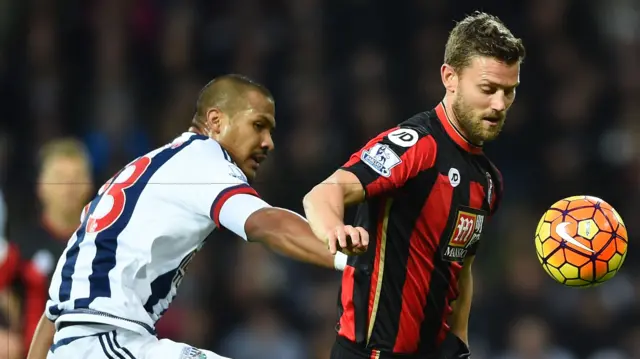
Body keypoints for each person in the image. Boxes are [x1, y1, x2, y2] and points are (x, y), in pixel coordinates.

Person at [27, 74, 347, 359]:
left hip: (86, 342)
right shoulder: (203, 161)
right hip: (108, 340)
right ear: (216, 121)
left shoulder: (141, 171)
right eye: (258, 125)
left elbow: (53, 313)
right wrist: (353, 259)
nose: (268, 142)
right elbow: (265, 223)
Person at [303, 11, 525, 359]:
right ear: (449, 77)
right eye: (488, 89)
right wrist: (335, 228)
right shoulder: (415, 145)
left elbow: (461, 269)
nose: (499, 104)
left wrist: (460, 342)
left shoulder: (489, 180)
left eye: (509, 92)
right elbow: (323, 192)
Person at [8, 138, 93, 353]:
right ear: (41, 185)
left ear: (89, 184)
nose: (69, 187)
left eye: (76, 178)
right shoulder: (18, 247)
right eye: (59, 178)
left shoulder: (102, 246)